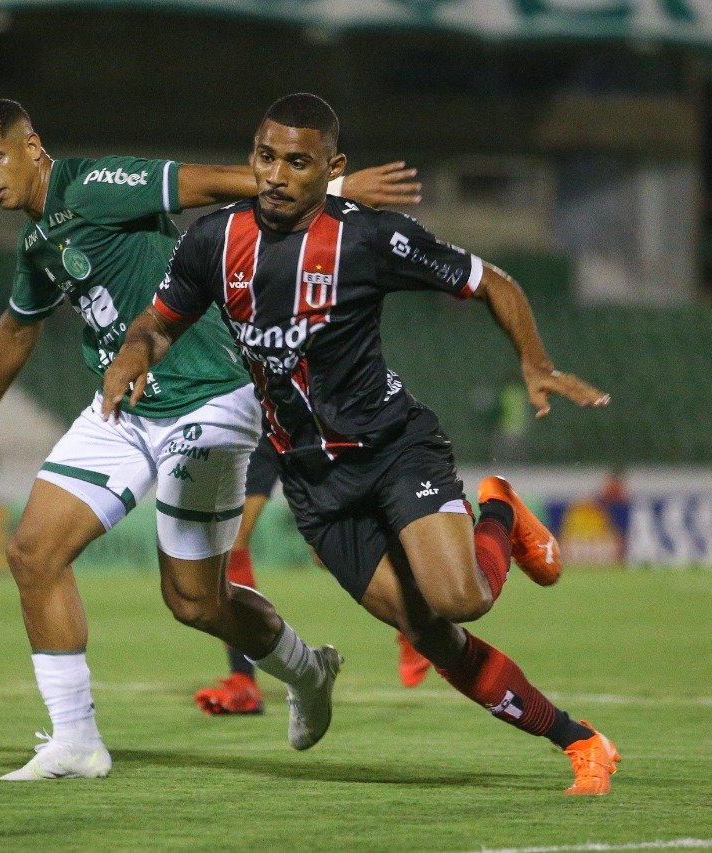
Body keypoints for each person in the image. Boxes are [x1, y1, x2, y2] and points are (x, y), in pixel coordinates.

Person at [102, 93, 622, 795]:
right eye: (265, 157)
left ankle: (497, 510)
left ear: (332, 168)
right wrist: (136, 352)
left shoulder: (370, 237)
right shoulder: (213, 239)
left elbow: (488, 280)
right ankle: (582, 741)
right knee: (431, 634)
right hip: (314, 484)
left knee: (461, 599)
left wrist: (534, 361)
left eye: (297, 162)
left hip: (392, 448)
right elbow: (160, 321)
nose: (276, 175)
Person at [0, 98, 423, 780]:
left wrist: (336, 191)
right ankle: (76, 741)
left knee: (194, 601)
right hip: (125, 408)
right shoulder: (38, 241)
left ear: (32, 145)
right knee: (32, 552)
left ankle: (307, 671)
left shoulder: (93, 185)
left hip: (208, 396)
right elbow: (18, 328)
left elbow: (205, 182)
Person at [195, 437, 430, 715]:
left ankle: (414, 618)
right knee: (231, 539)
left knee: (326, 549)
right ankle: (244, 681)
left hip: (299, 421)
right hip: (252, 421)